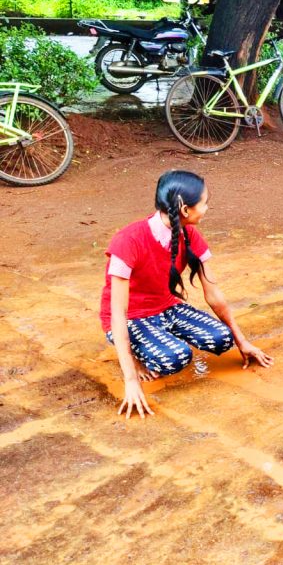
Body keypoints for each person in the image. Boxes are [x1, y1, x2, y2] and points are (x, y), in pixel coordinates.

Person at [100, 170, 273, 420]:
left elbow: (213, 293)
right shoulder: (127, 241)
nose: (207, 208)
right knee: (176, 358)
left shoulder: (189, 234)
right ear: (184, 209)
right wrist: (130, 379)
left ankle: (158, 337)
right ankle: (136, 355)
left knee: (222, 339)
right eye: (204, 203)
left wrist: (241, 340)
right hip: (132, 318)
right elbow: (117, 314)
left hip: (167, 308)